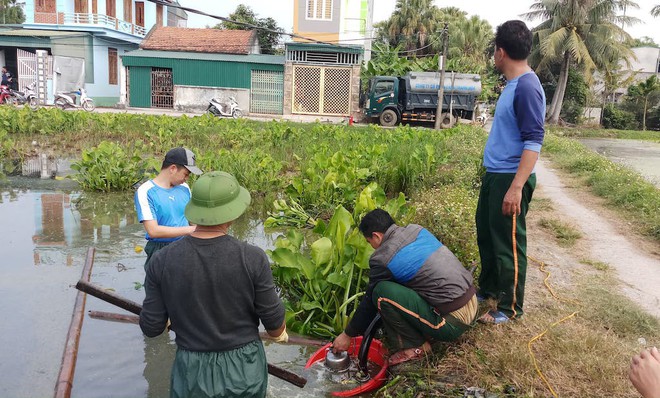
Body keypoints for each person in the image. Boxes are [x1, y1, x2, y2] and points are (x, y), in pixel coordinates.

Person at [139, 171, 288, 398]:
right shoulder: (252, 257)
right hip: (244, 369)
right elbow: (274, 325)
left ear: (195, 211)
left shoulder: (161, 260)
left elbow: (151, 327)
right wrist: (280, 334)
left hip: (191, 371)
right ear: (232, 213)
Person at [332, 209, 477, 366]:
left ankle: (416, 347)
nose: (372, 247)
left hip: (452, 323)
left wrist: (347, 335)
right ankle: (426, 330)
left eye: (369, 242)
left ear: (377, 236)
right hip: (472, 302)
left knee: (381, 293)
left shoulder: (382, 258)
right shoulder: (417, 230)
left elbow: (369, 302)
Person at [475, 20, 546, 324]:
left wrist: (516, 187)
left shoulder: (528, 87)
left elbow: (534, 141)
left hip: (510, 177)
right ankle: (489, 290)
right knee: (488, 234)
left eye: (494, 51)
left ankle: (510, 308)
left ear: (500, 52)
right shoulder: (513, 85)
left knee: (509, 242)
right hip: (496, 174)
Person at [134, 147, 202, 267]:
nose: (186, 179)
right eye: (185, 174)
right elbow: (153, 231)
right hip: (160, 250)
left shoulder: (185, 188)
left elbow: (192, 220)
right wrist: (192, 230)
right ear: (173, 169)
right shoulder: (146, 191)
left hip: (186, 246)